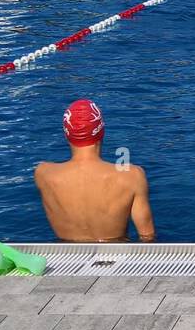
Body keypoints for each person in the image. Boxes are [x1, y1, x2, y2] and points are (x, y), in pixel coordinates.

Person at [35, 100, 156, 243]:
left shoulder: (43, 174)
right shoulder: (132, 176)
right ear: (101, 131)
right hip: (116, 255)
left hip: (67, 254)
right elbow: (147, 237)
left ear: (67, 134)